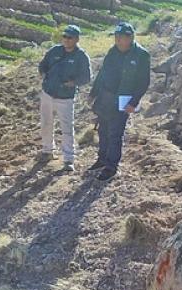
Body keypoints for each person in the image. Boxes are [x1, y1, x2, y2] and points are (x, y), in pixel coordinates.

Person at [88, 22, 151, 181]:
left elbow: (143, 82)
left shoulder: (141, 55)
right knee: (103, 130)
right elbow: (102, 74)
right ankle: (102, 159)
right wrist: (93, 93)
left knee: (115, 133)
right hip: (105, 97)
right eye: (116, 37)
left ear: (130, 38)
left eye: (121, 37)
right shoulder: (112, 52)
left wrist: (134, 102)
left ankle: (111, 166)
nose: (118, 40)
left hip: (124, 99)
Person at [38, 24, 92, 172]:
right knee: (46, 123)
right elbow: (42, 65)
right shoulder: (54, 50)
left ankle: (68, 159)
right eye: (64, 37)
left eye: (70, 37)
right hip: (48, 93)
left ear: (76, 39)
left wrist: (73, 83)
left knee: (67, 128)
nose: (66, 40)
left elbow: (87, 77)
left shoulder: (81, 56)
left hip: (65, 98)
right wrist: (43, 74)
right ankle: (47, 151)